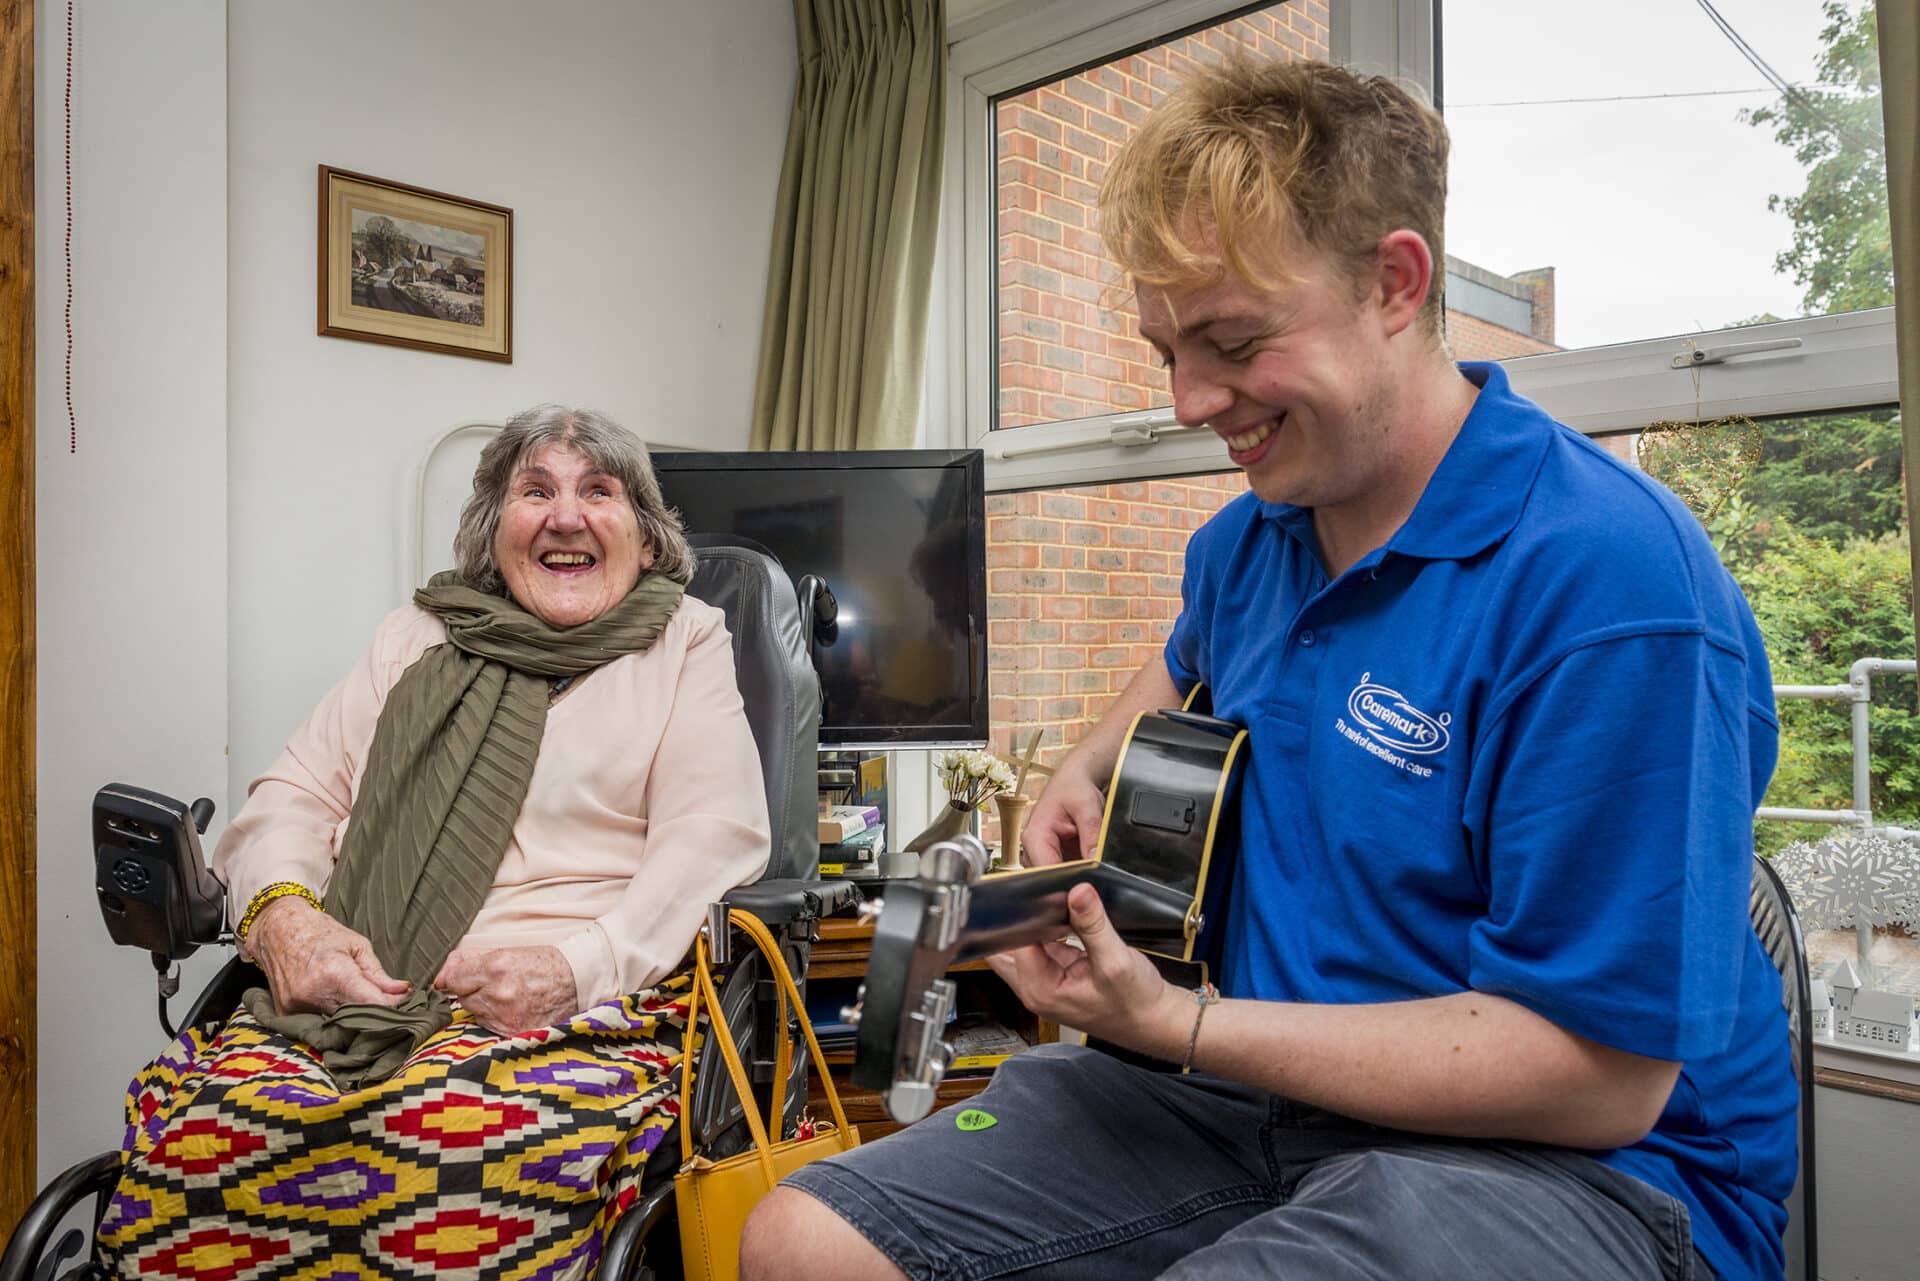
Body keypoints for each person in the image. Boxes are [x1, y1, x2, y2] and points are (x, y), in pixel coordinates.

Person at [742, 57, 1795, 1281]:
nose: (1192, 401)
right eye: (1165, 350)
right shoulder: (1250, 540)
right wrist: (1090, 761)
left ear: (1395, 283)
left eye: (1233, 342)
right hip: (1243, 1101)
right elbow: (1182, 668)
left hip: (1585, 1171)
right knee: (803, 1238)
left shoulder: (1615, 588)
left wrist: (1178, 1022)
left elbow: (1600, 1079)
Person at [96, 405, 771, 1279]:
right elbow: (292, 797)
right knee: (201, 1139)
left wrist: (579, 965)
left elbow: (709, 843)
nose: (565, 516)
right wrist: (284, 915)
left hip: (574, 1007)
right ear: (496, 533)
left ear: (644, 536)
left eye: (597, 491)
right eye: (536, 490)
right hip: (357, 995)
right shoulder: (415, 637)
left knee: (446, 1152)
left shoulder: (685, 641)